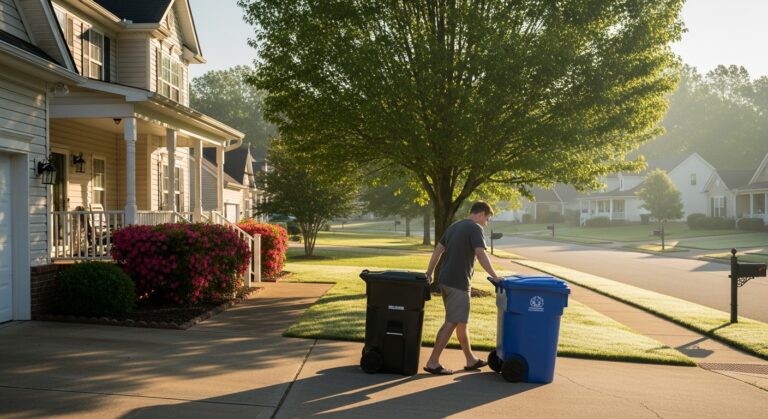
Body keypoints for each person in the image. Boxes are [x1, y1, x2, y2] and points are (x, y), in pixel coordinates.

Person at [423, 201, 502, 375]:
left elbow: (438, 250)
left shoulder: (454, 226)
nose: (486, 223)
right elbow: (481, 253)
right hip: (459, 282)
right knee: (452, 321)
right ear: (481, 214)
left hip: (445, 280)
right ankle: (433, 362)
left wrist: (429, 273)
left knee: (461, 322)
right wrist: (495, 276)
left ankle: (470, 359)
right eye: (487, 219)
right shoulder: (475, 228)